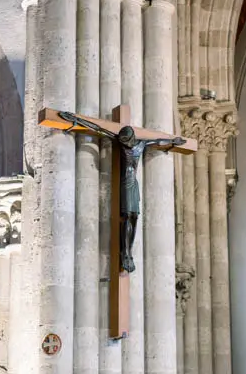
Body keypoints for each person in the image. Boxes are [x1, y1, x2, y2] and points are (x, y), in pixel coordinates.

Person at [58, 111, 184, 273]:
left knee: (134, 216)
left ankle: (129, 251)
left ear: (132, 138)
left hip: (134, 184)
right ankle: (125, 252)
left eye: (128, 141)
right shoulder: (119, 141)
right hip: (125, 183)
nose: (126, 144)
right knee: (127, 216)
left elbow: (158, 140)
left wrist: (174, 141)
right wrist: (76, 120)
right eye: (124, 141)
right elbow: (98, 129)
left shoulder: (141, 144)